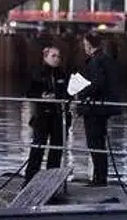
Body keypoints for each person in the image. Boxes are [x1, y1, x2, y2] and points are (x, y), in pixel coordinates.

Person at [72, 32, 121, 187]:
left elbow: (97, 83)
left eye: (85, 44)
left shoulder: (96, 61)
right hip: (104, 107)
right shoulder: (107, 60)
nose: (84, 47)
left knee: (94, 143)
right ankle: (100, 176)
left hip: (94, 109)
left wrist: (82, 93)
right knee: (99, 144)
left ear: (89, 44)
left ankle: (99, 178)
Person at [23, 43, 71, 181]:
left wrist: (64, 98)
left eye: (58, 56)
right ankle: (30, 179)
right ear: (45, 57)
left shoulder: (63, 73)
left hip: (58, 116)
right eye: (53, 56)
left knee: (56, 151)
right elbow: (29, 92)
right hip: (42, 116)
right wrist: (41, 97)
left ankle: (51, 181)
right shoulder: (37, 73)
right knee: (37, 149)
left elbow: (68, 93)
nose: (56, 59)